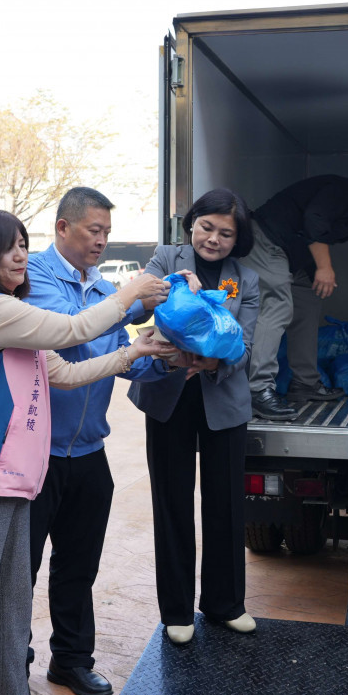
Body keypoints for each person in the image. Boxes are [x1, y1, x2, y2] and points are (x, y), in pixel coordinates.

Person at [0, 209, 172, 695]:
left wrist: (134, 355)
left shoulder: (8, 313)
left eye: (24, 244)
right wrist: (131, 293)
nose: (21, 255)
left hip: (13, 483)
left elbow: (64, 373)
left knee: (9, 617)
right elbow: (74, 328)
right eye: (8, 246)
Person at [23, 187, 171, 695]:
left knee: (78, 566)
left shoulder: (98, 287)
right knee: (23, 566)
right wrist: (128, 300)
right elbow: (71, 333)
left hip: (88, 451)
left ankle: (70, 661)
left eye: (107, 232)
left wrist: (169, 357)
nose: (102, 241)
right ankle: (11, 653)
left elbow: (117, 352)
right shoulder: (35, 279)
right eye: (94, 231)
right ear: (62, 227)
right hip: (33, 453)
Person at [128, 188, 261, 645]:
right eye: (207, 227)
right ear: (191, 224)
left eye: (226, 233)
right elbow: (144, 304)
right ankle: (177, 611)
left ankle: (226, 604)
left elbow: (246, 343)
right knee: (172, 503)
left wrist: (216, 363)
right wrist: (178, 292)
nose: (214, 239)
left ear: (236, 239)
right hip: (169, 394)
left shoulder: (246, 279)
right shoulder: (166, 259)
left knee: (225, 504)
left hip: (221, 396)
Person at [244, 174, 348, 420]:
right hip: (265, 239)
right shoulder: (346, 190)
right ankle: (257, 390)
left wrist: (314, 273)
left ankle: (305, 382)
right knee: (278, 304)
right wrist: (324, 267)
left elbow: (310, 238)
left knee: (308, 299)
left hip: (290, 256)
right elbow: (313, 221)